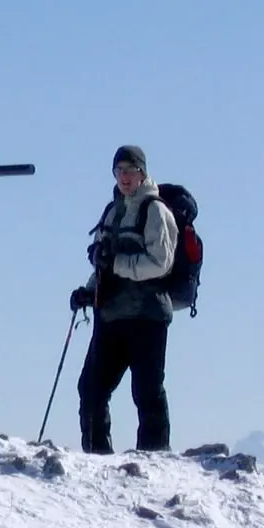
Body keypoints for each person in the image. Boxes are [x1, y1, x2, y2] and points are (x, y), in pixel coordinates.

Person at [68, 145, 178, 453]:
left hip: (147, 316)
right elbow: (102, 262)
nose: (124, 177)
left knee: (146, 392)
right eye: (118, 171)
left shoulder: (154, 211)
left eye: (129, 170)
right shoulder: (112, 211)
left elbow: (161, 263)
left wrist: (117, 265)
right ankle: (97, 458)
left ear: (142, 172)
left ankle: (154, 458)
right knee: (90, 389)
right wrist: (89, 290)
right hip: (111, 315)